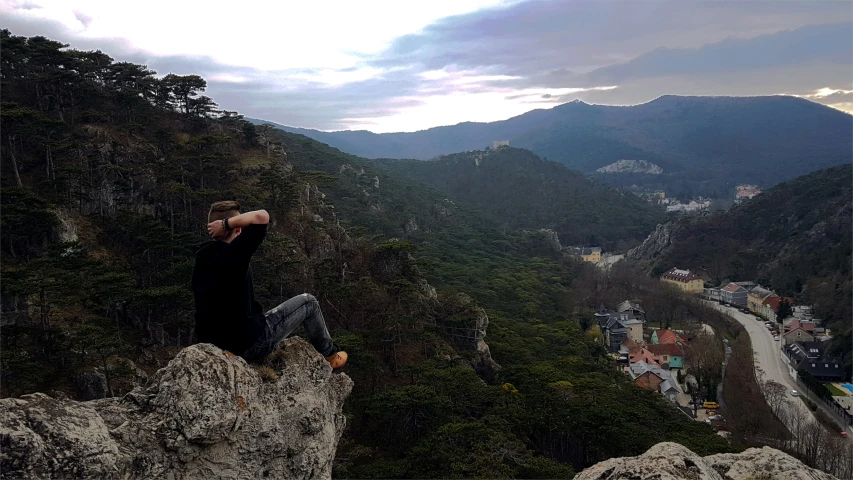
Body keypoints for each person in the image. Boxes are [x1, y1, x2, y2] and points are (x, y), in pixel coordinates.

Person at [191, 200, 347, 369]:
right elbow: (261, 216)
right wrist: (226, 223)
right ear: (237, 228)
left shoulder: (203, 255)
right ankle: (330, 355)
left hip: (214, 346)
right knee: (309, 302)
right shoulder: (234, 253)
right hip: (247, 345)